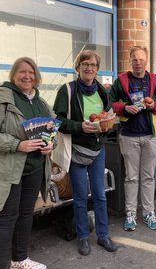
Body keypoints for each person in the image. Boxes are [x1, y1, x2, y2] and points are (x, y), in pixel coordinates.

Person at [53, 50, 117, 256]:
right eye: (85, 64)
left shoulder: (102, 91)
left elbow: (107, 116)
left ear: (98, 69)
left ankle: (103, 235)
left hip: (98, 150)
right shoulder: (68, 90)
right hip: (77, 151)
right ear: (78, 67)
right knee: (80, 197)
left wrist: (107, 127)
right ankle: (82, 237)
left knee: (100, 195)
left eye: (93, 65)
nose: (89, 68)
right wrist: (81, 126)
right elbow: (58, 122)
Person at [0, 57, 54, 269]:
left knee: (25, 215)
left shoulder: (41, 102)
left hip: (35, 168)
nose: (27, 76)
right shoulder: (4, 98)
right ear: (13, 74)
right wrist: (17, 145)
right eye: (22, 72)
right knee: (6, 218)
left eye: (31, 72)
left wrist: (52, 145)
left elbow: (52, 131)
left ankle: (20, 259)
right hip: (11, 169)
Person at [110, 45, 156, 231]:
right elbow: (111, 103)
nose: (138, 63)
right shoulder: (121, 80)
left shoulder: (154, 80)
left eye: (141, 59)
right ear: (130, 60)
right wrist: (125, 108)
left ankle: (149, 213)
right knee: (131, 178)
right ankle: (130, 214)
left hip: (150, 136)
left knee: (148, 177)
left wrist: (153, 106)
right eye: (135, 59)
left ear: (146, 61)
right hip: (129, 136)